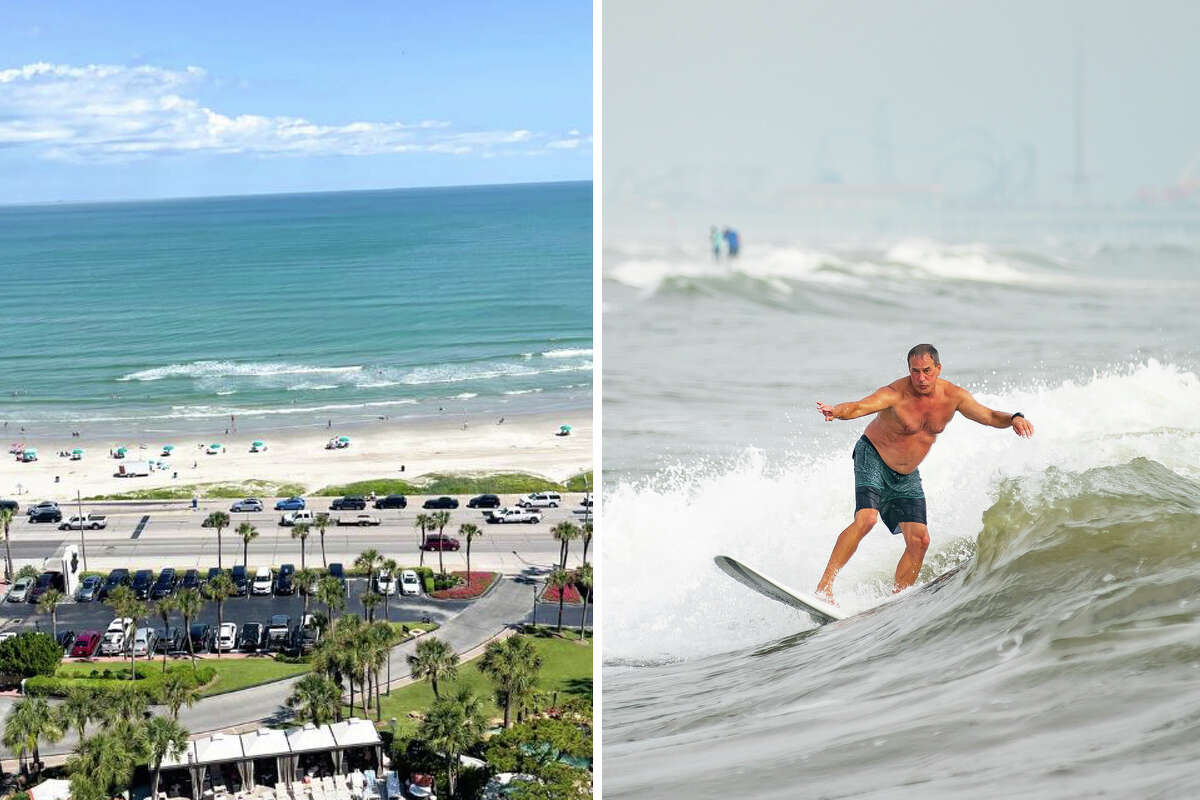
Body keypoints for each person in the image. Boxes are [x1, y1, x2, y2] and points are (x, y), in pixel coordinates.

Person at [814, 344, 1034, 603]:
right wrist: (836, 411)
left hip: (906, 475)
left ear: (938, 368)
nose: (921, 378)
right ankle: (824, 587)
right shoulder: (896, 394)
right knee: (867, 519)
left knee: (920, 540)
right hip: (873, 456)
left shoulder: (954, 396)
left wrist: (1014, 419)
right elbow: (860, 407)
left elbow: (987, 415)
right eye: (915, 371)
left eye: (927, 371)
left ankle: (894, 602)